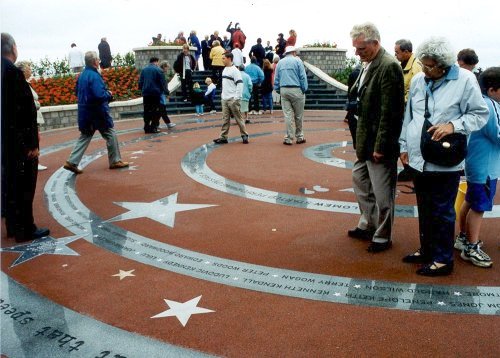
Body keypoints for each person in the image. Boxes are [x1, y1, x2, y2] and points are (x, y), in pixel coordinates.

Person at [399, 37, 488, 276]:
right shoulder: (419, 80)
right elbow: (410, 116)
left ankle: (443, 259)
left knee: (442, 210)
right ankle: (427, 249)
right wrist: (403, 146)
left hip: (445, 159)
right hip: (419, 157)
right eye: (423, 65)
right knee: (425, 207)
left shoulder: (465, 80)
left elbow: (480, 114)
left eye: (430, 66)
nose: (425, 71)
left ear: (444, 64)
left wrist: (453, 125)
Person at [347, 22, 405, 253]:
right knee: (361, 182)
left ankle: (382, 235)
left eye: (361, 49)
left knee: (382, 193)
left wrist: (381, 146)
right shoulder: (369, 63)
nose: (357, 53)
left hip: (378, 142)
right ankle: (368, 223)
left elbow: (390, 112)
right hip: (364, 139)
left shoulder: (389, 66)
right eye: (356, 48)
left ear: (375, 43)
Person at [1, 32, 50, 242]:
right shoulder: (12, 72)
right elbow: (23, 111)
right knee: (24, 186)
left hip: (6, 141)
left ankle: (12, 225)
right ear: (13, 48)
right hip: (19, 142)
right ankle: (25, 229)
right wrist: (31, 144)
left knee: (10, 184)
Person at [455, 67, 500, 268]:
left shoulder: (480, 103)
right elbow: (497, 135)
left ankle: (464, 237)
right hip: (486, 167)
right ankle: (471, 247)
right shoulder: (490, 107)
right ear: (492, 89)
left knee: (470, 201)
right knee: (479, 206)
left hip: (476, 163)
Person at [63, 51, 129, 175]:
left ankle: (72, 161)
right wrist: (108, 94)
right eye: (98, 59)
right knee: (110, 133)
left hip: (85, 111)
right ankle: (115, 160)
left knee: (86, 135)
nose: (99, 61)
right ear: (94, 61)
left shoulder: (82, 75)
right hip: (97, 112)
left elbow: (77, 92)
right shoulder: (94, 76)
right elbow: (99, 95)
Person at [394, 39, 422, 182]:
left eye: (397, 52)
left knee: (408, 137)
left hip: (409, 108)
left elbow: (415, 90)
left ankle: (410, 168)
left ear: (406, 52)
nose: (395, 55)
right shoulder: (403, 65)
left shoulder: (416, 66)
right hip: (403, 107)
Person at [16, 61, 48, 171]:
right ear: (23, 71)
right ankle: (34, 161)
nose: (30, 70)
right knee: (35, 139)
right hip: (32, 118)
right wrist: (37, 104)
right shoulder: (22, 84)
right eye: (28, 68)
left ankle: (35, 161)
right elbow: (28, 102)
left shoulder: (25, 83)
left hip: (35, 117)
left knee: (37, 138)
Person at [274, 46, 308, 145]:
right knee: (298, 115)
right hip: (296, 89)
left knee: (288, 115)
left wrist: (278, 89)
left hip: (284, 89)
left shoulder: (280, 62)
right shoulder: (298, 61)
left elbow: (276, 78)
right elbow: (302, 77)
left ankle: (289, 138)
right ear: (293, 52)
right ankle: (299, 137)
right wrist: (304, 89)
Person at [213, 52, 249, 145]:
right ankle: (223, 137)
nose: (222, 60)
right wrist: (222, 95)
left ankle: (244, 135)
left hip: (232, 98)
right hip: (224, 98)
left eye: (224, 58)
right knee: (225, 119)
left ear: (229, 59)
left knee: (238, 118)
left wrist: (237, 97)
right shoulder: (224, 69)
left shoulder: (235, 71)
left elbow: (240, 84)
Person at [139, 57, 168, 133]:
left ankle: (146, 126)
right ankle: (153, 127)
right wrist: (166, 91)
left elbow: (140, 82)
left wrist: (141, 89)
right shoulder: (159, 70)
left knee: (147, 110)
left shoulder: (144, 70)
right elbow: (162, 83)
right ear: (156, 62)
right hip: (155, 93)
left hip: (146, 93)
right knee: (155, 110)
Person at [344, 64, 361, 148]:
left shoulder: (352, 74)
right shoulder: (362, 73)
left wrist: (349, 97)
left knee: (352, 121)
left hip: (353, 99)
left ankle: (355, 142)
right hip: (359, 100)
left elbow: (350, 87)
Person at [158, 61, 176, 129]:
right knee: (162, 109)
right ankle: (168, 123)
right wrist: (167, 93)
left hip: (160, 93)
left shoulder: (160, 72)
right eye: (167, 67)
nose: (167, 69)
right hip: (161, 94)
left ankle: (158, 123)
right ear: (164, 66)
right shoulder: (161, 73)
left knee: (161, 110)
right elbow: (163, 85)